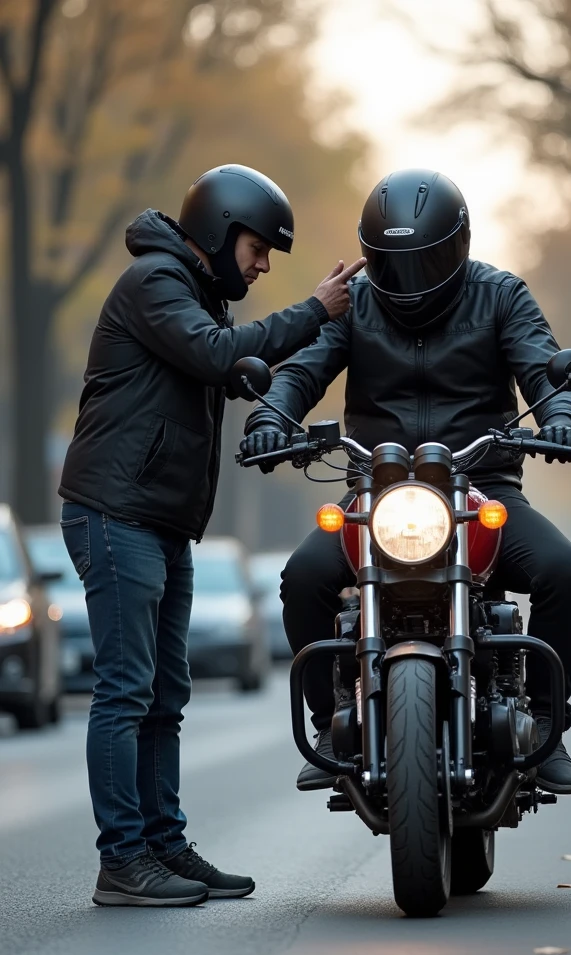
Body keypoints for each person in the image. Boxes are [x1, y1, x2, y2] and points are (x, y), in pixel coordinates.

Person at [59, 163, 365, 908]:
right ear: (221, 229)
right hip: (114, 511)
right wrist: (318, 309)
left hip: (159, 518)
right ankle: (122, 862)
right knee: (127, 692)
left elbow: (241, 373)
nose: (261, 266)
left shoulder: (195, 297)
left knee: (167, 692)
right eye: (258, 249)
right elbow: (223, 357)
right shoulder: (155, 285)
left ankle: (163, 844)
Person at [241, 167, 571, 796]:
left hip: (483, 489)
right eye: (393, 264)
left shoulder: (501, 295)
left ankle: (546, 728)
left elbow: (542, 366)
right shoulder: (355, 303)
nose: (408, 280)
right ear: (373, 255)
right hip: (377, 492)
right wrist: (271, 417)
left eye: (421, 263)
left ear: (455, 247)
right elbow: (301, 372)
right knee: (302, 577)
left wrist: (561, 414)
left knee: (565, 574)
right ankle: (329, 725)